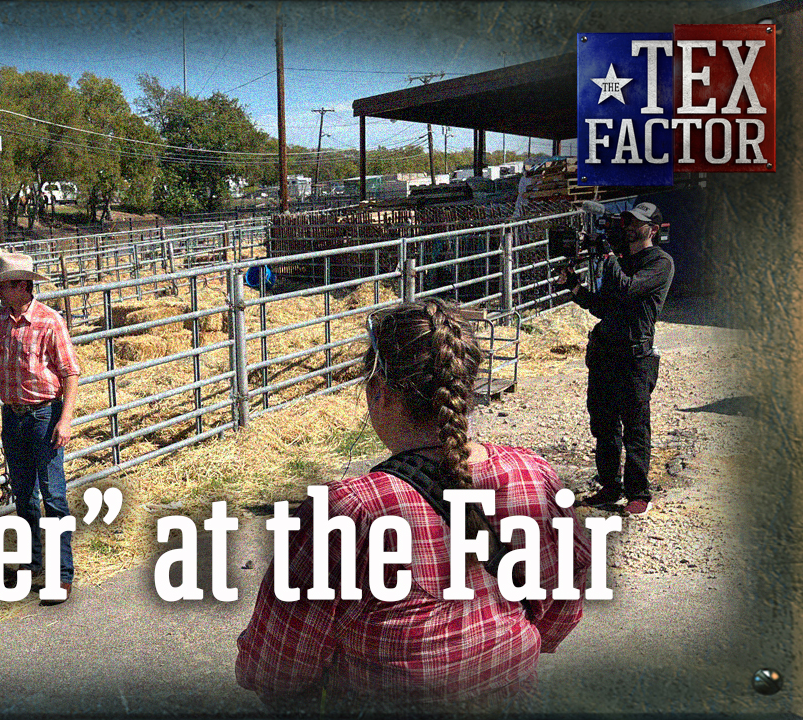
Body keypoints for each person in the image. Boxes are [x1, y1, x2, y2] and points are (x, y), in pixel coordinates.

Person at [236, 299, 590, 711]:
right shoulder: (534, 476)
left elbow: (274, 669)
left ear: (379, 392)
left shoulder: (348, 512)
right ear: (467, 389)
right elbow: (558, 616)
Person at [558, 201, 675, 516]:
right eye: (627, 220)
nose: (628, 226)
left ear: (651, 229)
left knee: (635, 426)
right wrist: (574, 286)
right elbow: (603, 307)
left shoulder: (660, 263)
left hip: (634, 360)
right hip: (605, 355)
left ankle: (638, 493)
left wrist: (609, 256)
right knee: (604, 424)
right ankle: (610, 486)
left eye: (636, 222)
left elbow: (627, 290)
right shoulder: (621, 261)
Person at [0, 252, 81, 604]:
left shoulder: (50, 321)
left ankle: (62, 574)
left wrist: (64, 419)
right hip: (13, 415)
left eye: (5, 285)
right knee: (23, 494)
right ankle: (34, 560)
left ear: (23, 286)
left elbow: (70, 372)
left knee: (53, 494)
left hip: (43, 415)